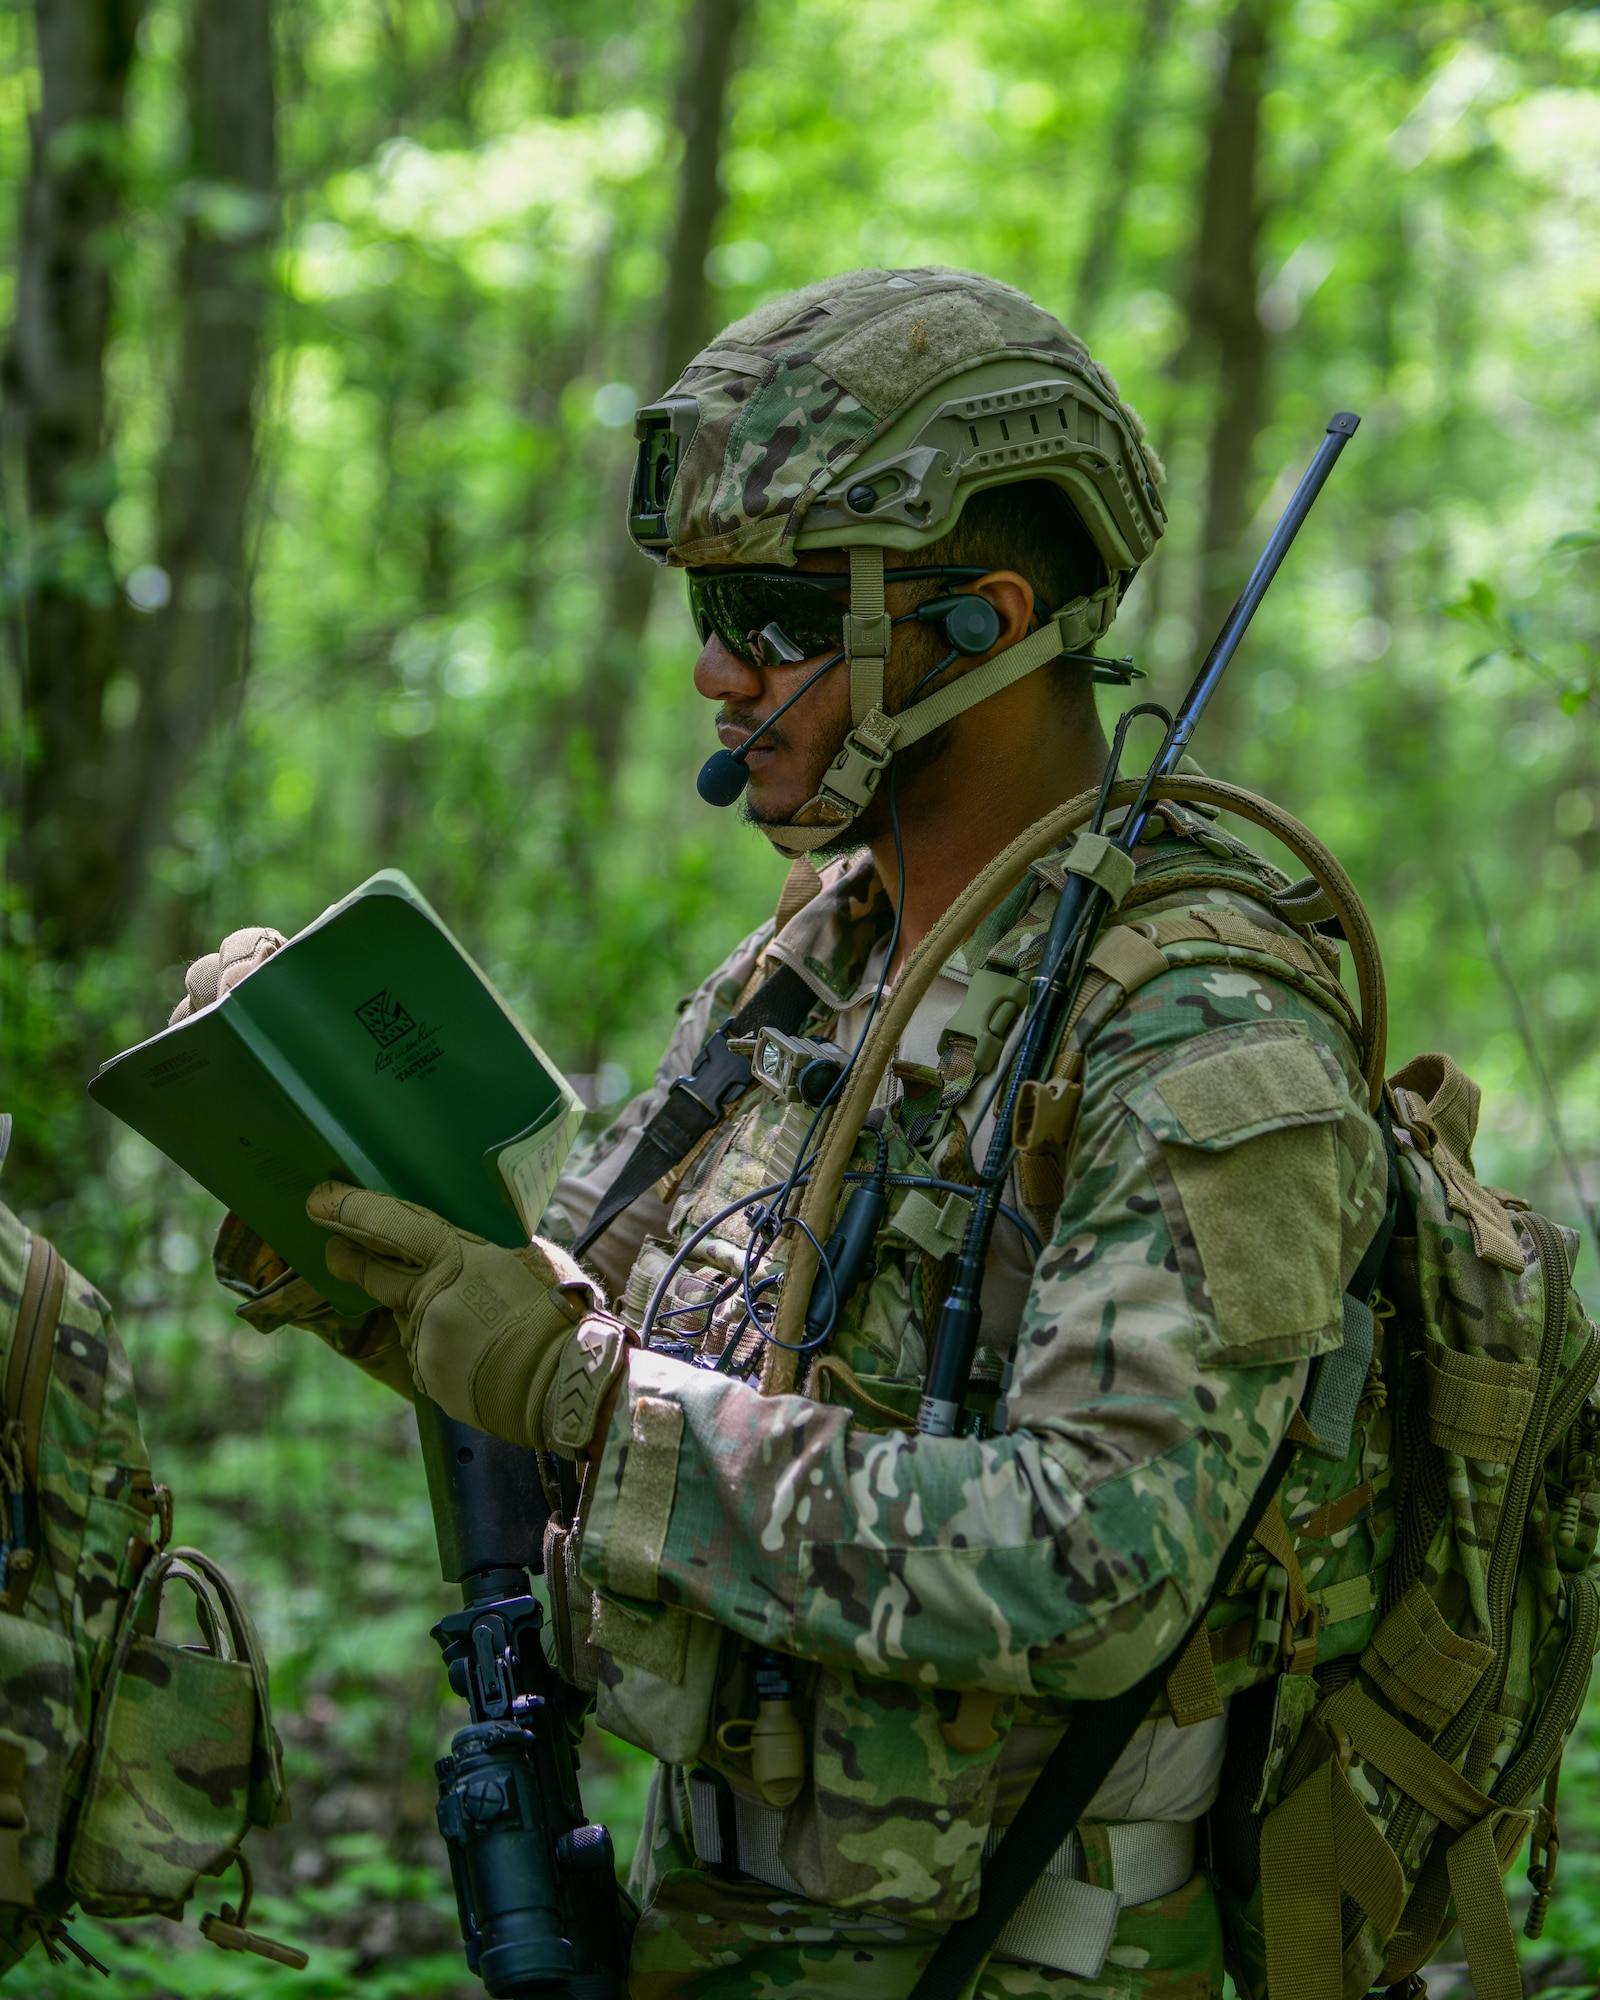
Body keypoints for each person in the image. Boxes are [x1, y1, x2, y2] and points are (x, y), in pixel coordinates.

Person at [186, 267, 1387, 1998]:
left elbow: (1099, 1564)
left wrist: (582, 1390)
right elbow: (562, 1341)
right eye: (707, 608)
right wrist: (338, 1197)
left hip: (1040, 1959)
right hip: (747, 1926)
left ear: (975, 622)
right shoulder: (824, 953)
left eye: (769, 612)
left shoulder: (1198, 1030)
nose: (710, 672)